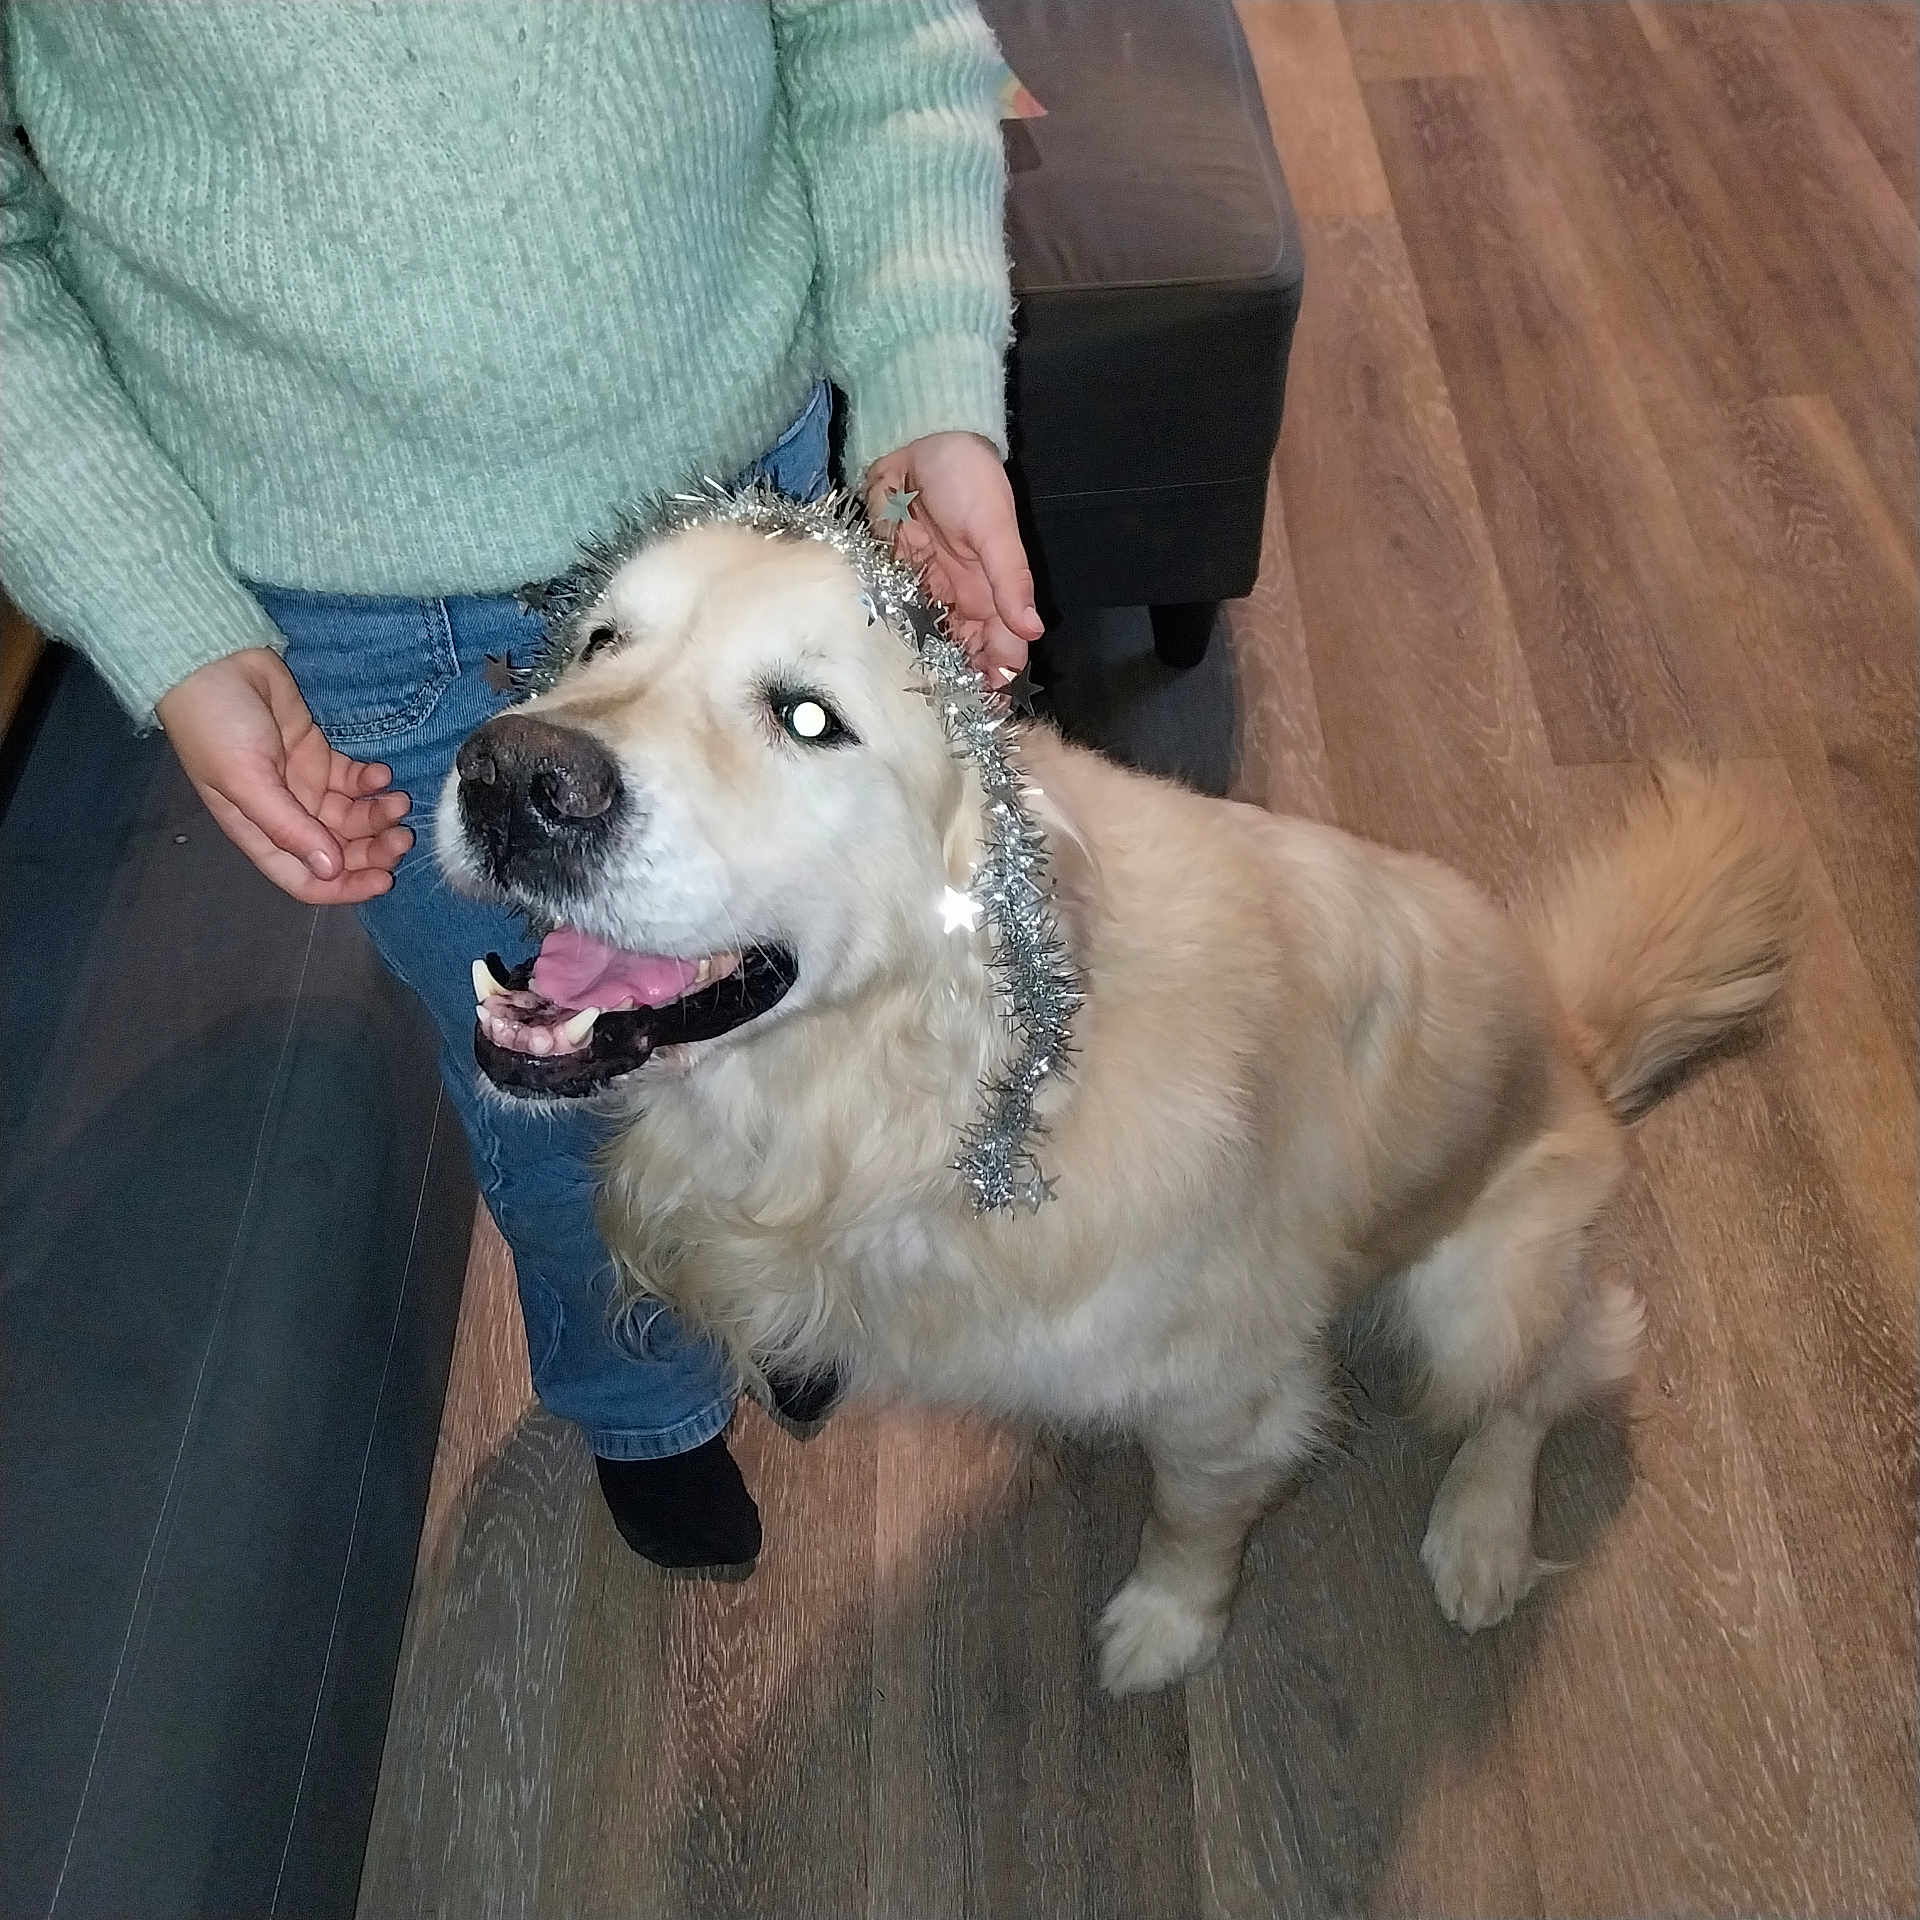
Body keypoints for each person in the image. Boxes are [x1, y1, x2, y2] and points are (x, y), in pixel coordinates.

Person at [0, 1, 1041, 1572]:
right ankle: (643, 1395)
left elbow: (877, 28)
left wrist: (928, 387)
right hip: (369, 619)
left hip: (741, 508)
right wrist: (152, 604)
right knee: (560, 1070)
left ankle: (783, 1285)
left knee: (789, 1001)